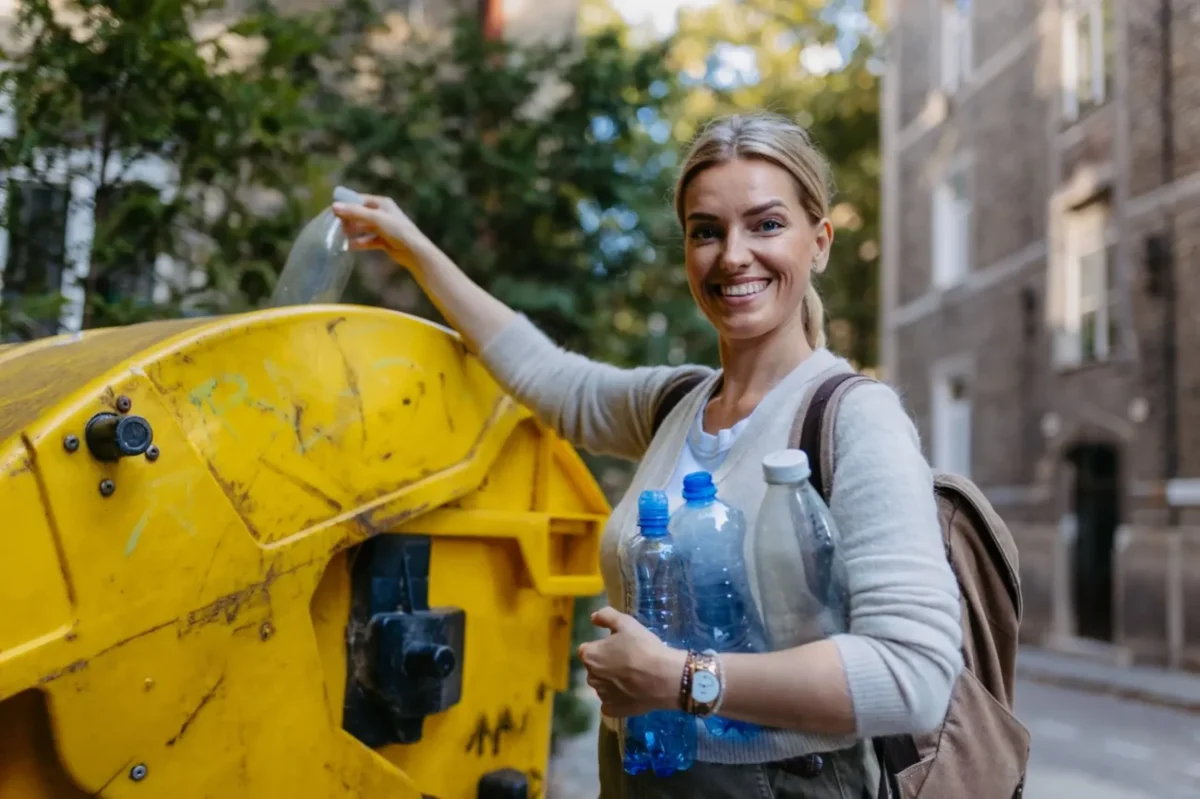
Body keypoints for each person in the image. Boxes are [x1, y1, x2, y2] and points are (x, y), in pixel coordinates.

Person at [333, 112, 963, 798]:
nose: (733, 255)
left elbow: (916, 675)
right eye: (706, 231)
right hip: (645, 776)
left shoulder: (855, 418)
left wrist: (680, 678)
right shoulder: (678, 404)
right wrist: (414, 249)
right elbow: (551, 378)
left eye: (766, 224)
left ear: (820, 242)